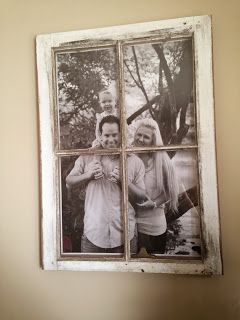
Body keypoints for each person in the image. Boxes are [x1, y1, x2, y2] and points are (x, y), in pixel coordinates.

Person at [66, 115, 145, 254]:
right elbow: (69, 182)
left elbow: (141, 197)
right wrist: (87, 175)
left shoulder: (134, 161)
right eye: (107, 135)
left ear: (121, 135)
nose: (111, 140)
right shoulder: (87, 157)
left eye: (115, 135)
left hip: (125, 235)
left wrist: (124, 181)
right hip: (93, 234)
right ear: (100, 135)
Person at [133, 118, 179, 254]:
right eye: (138, 134)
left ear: (153, 140)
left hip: (153, 227)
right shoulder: (129, 157)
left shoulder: (162, 162)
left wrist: (153, 203)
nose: (140, 139)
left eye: (146, 137)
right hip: (131, 226)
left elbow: (170, 192)